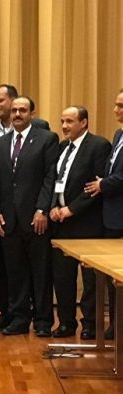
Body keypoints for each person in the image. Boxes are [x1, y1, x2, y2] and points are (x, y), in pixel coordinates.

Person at [0, 97, 58, 337]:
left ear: (32, 113)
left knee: (41, 272)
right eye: (15, 110)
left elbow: (50, 177)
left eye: (23, 110)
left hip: (35, 218)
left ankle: (43, 320)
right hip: (8, 220)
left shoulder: (46, 139)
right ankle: (20, 318)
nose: (17, 114)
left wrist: (42, 209)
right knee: (15, 272)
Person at [50, 106, 111, 339]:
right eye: (62, 121)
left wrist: (72, 209)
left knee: (90, 280)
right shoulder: (62, 147)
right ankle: (66, 323)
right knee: (62, 276)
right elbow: (55, 180)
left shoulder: (98, 145)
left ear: (84, 123)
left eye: (70, 121)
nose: (64, 126)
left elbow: (95, 187)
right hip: (61, 222)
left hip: (87, 222)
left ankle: (90, 324)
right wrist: (53, 207)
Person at [84, 88, 123, 340]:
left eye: (121, 106)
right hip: (111, 215)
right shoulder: (119, 134)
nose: (116, 110)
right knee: (112, 277)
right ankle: (116, 325)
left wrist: (103, 184)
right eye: (116, 104)